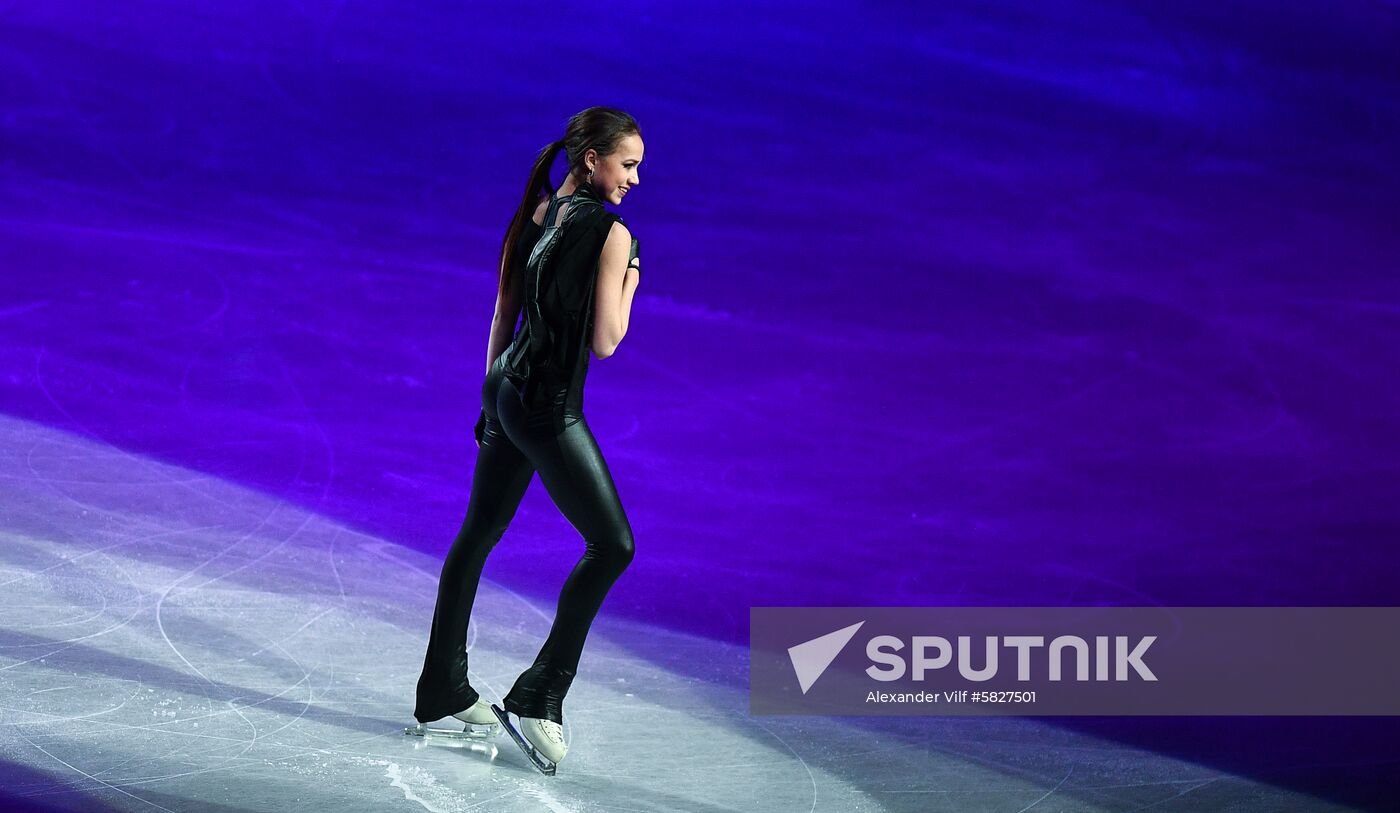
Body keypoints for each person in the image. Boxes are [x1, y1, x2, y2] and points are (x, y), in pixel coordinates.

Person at [409, 107, 644, 775]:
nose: (634, 178)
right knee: (613, 545)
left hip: (506, 391)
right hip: (548, 410)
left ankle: (440, 691)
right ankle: (540, 695)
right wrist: (630, 278)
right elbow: (606, 340)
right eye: (627, 164)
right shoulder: (610, 233)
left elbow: (502, 310)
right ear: (593, 159)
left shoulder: (538, 209)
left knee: (476, 534)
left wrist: (488, 395)